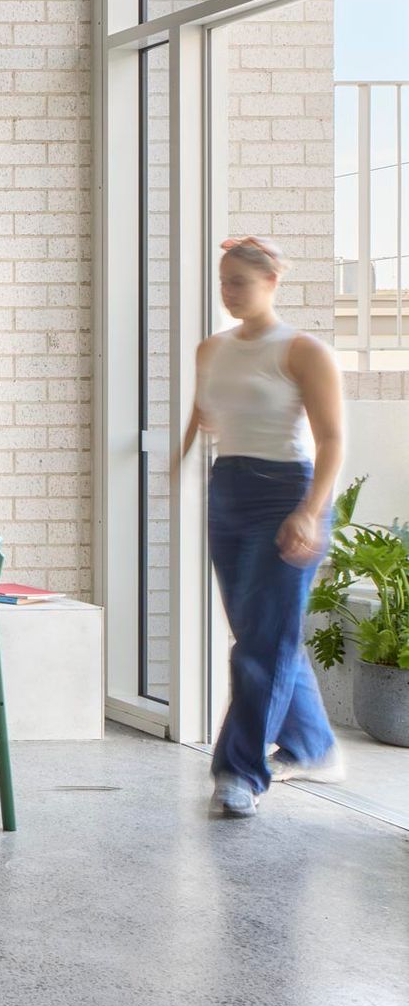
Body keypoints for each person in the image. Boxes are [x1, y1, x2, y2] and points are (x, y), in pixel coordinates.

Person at [179, 236, 348, 817]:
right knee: (259, 632)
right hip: (227, 489)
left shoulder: (303, 351)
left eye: (240, 283)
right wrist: (175, 469)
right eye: (223, 281)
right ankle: (312, 745)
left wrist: (310, 511)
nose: (228, 292)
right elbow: (204, 417)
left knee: (263, 640)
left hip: (286, 494)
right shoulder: (211, 349)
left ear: (272, 283)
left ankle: (238, 772)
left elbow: (331, 440)